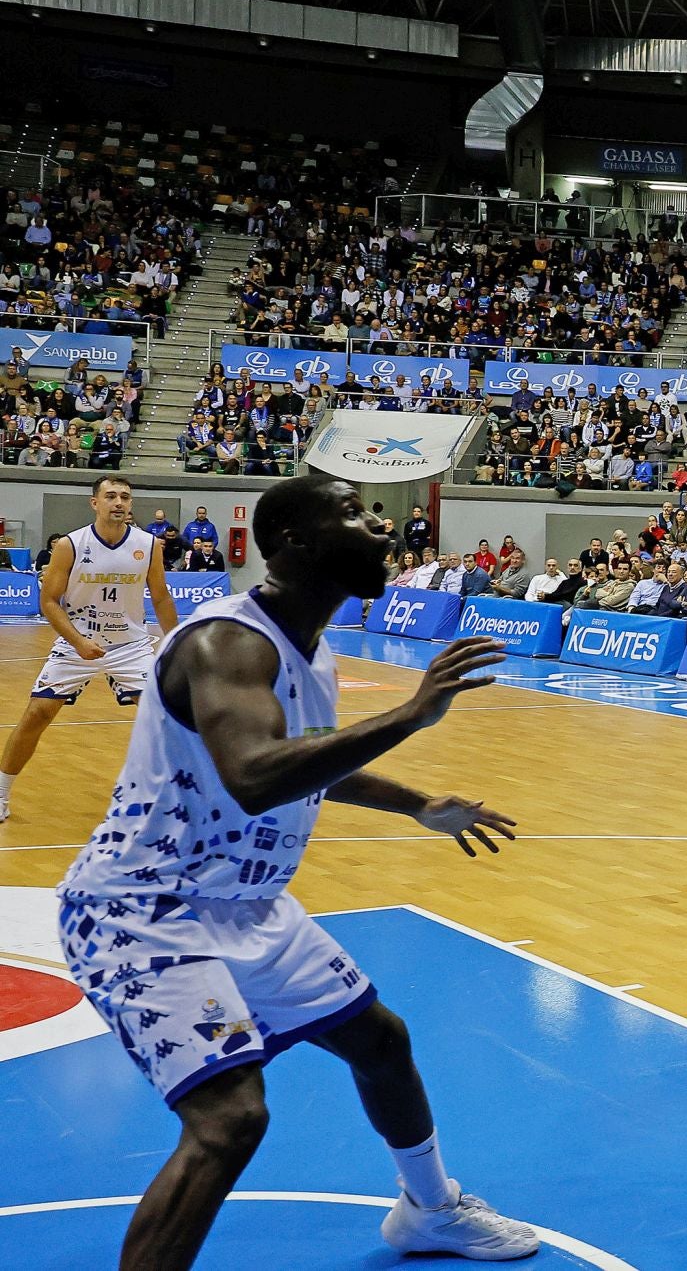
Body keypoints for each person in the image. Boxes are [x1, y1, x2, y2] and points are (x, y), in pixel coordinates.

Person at [55, 474, 537, 1267]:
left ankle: (430, 1209)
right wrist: (412, 716)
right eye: (353, 512)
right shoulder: (226, 641)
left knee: (380, 1041)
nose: (382, 525)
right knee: (230, 1119)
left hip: (246, 906)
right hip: (143, 910)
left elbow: (305, 759)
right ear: (291, 543)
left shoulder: (310, 651)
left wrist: (417, 803)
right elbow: (255, 772)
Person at [0, 476, 176, 822]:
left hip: (130, 645)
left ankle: (166, 796)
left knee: (161, 718)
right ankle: (2, 792)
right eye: (110, 496)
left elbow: (161, 596)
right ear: (94, 503)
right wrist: (78, 642)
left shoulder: (149, 544)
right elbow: (48, 601)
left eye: (125, 496)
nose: (119, 502)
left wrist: (176, 641)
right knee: (37, 714)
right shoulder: (70, 545)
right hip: (77, 640)